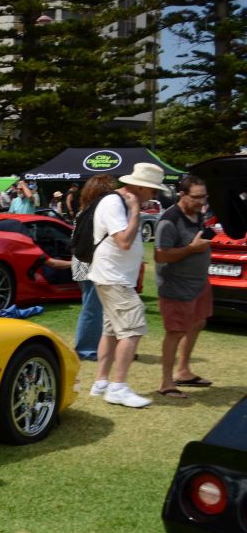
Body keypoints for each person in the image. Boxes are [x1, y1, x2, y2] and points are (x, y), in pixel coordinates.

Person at [88, 162, 170, 408]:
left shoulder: (118, 202)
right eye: (153, 190)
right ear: (139, 187)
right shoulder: (115, 203)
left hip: (113, 276)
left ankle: (102, 382)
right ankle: (118, 387)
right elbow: (124, 241)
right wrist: (135, 211)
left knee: (112, 331)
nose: (154, 196)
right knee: (132, 329)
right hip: (114, 278)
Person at [154, 175, 213, 398]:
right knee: (176, 332)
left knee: (198, 322)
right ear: (182, 194)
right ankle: (166, 383)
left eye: (204, 196)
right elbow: (160, 256)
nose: (201, 201)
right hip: (176, 287)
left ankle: (183, 371)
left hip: (199, 283)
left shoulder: (198, 213)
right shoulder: (169, 220)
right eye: (196, 197)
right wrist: (192, 249)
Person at [71, 175, 115, 361]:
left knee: (93, 306)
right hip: (92, 264)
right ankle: (86, 349)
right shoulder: (98, 213)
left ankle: (98, 346)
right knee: (92, 307)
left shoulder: (83, 212)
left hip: (81, 262)